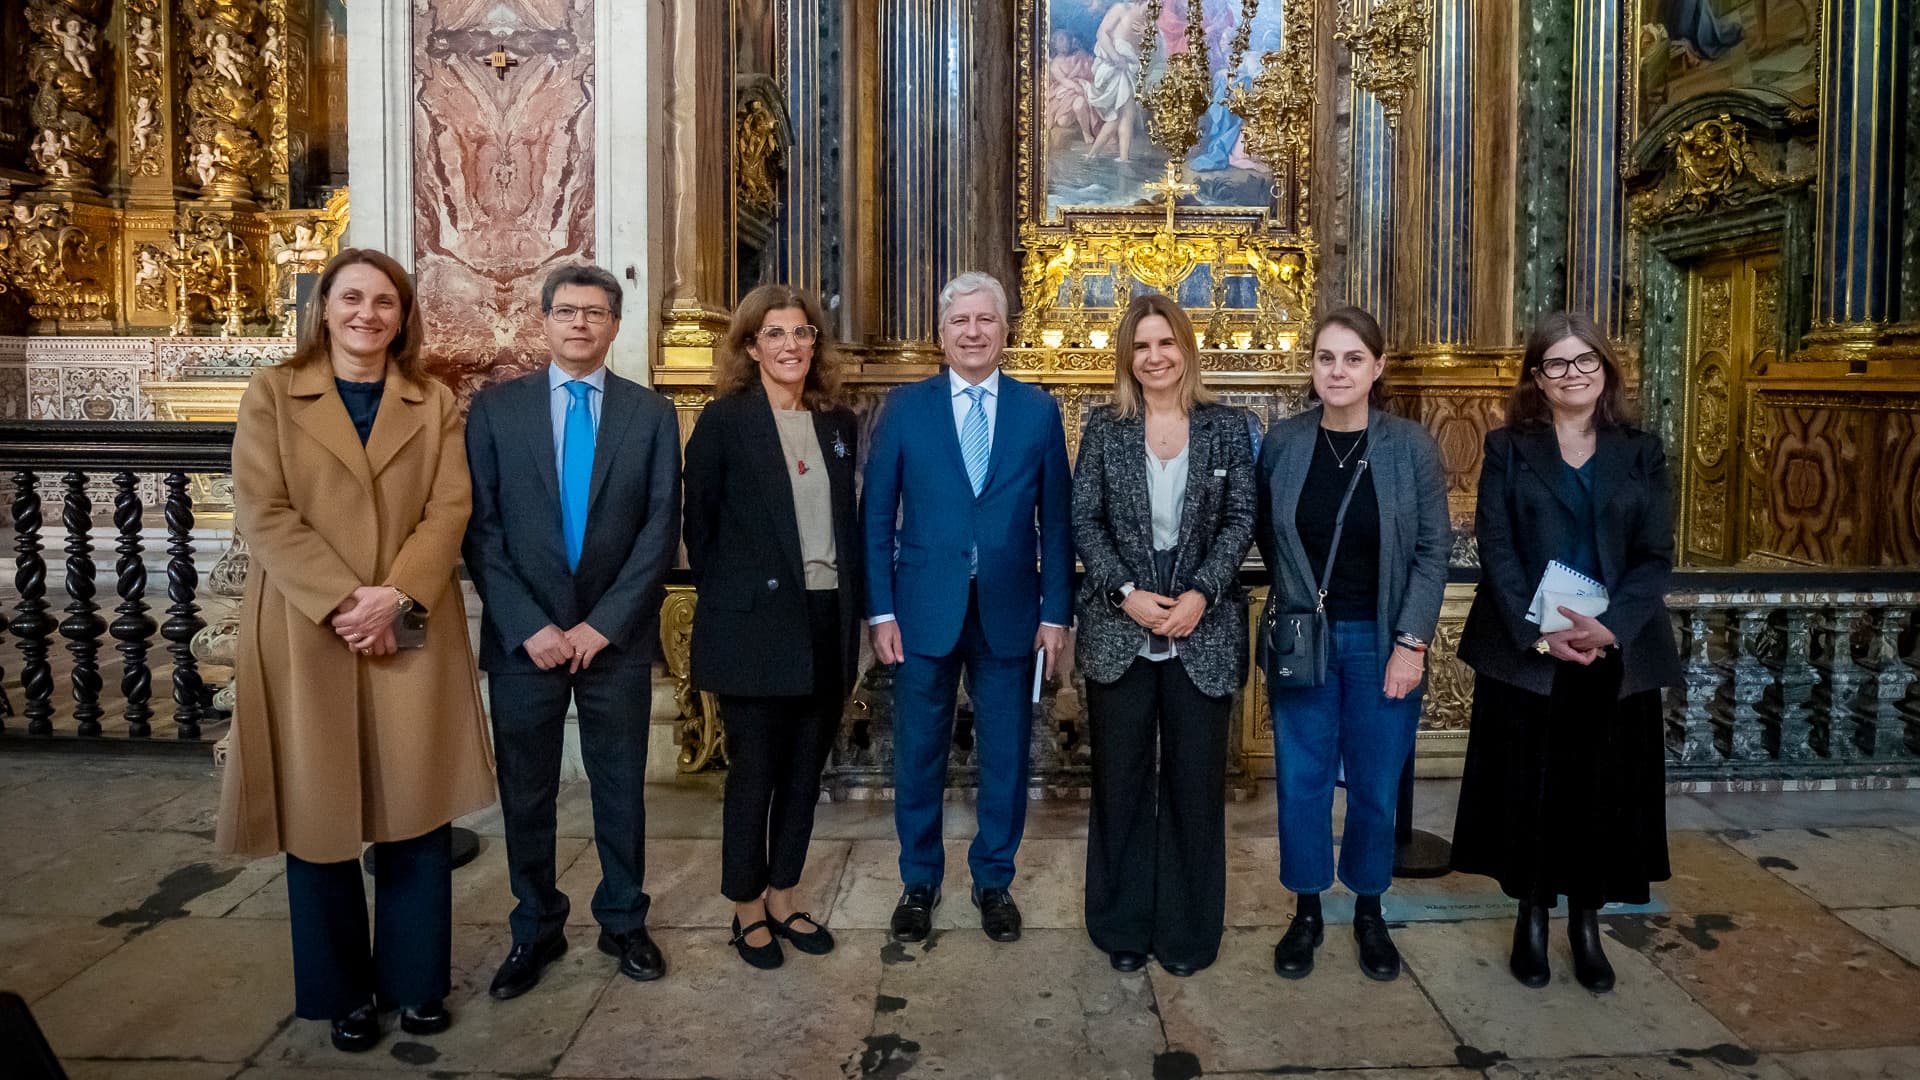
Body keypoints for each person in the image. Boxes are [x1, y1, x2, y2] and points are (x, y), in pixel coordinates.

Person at [218, 248, 496, 1053]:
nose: (367, 314)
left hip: (407, 620)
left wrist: (393, 596)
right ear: (325, 308)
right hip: (310, 626)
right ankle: (341, 993)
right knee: (320, 812)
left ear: (402, 317)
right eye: (352, 298)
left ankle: (416, 985)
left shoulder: (432, 400)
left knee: (415, 807)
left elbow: (450, 508)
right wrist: (346, 600)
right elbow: (261, 510)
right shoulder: (273, 394)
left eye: (384, 301)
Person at [462, 264, 682, 999]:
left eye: (595, 312)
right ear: (544, 321)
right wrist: (531, 626)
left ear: (615, 325)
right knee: (528, 792)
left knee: (620, 787)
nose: (580, 323)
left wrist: (602, 624)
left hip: (611, 642)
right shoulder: (496, 412)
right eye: (566, 311)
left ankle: (623, 919)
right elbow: (480, 531)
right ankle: (536, 927)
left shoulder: (650, 415)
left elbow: (659, 530)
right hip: (526, 642)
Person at [1451, 311, 1682, 994]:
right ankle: (1530, 915)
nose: (1573, 373)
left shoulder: (1641, 450)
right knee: (1531, 788)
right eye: (1556, 363)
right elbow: (1496, 548)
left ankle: (1586, 922)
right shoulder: (1507, 448)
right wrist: (1541, 631)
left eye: (1586, 361)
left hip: (1616, 651)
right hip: (1530, 651)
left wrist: (1613, 627)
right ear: (1537, 377)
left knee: (1601, 791)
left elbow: (1655, 554)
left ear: (1605, 370)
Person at [863, 270, 1073, 944]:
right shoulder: (905, 409)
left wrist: (1055, 612)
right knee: (918, 752)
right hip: (922, 609)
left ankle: (994, 880)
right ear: (943, 333)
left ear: (1005, 331)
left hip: (1010, 611)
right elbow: (874, 518)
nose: (973, 332)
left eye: (985, 320)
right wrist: (880, 611)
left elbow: (1060, 524)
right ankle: (919, 880)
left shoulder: (1038, 412)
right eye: (961, 322)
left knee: (1006, 756)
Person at [1254, 305, 1450, 983]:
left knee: (1373, 786)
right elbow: (1264, 535)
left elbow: (1432, 550)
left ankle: (1369, 909)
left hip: (1383, 639)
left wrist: (1412, 641)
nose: (1337, 371)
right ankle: (1306, 908)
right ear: (1311, 367)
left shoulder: (1410, 446)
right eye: (1325, 358)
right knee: (1301, 782)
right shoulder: (1283, 444)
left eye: (1352, 359)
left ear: (1377, 367)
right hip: (1305, 639)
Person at [1072, 295, 1256, 976]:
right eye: (1142, 346)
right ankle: (1121, 923)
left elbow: (1242, 517)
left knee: (1192, 786)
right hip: (1121, 632)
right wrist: (1127, 594)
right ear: (1128, 357)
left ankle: (1186, 932)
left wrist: (1200, 593)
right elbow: (1084, 520)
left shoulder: (1227, 427)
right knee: (1119, 784)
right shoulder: (1105, 428)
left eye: (1165, 343)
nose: (1155, 357)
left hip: (1201, 634)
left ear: (1186, 348)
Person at [682, 285, 863, 969]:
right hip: (756, 623)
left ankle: (785, 895)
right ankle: (746, 906)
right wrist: (737, 600)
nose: (791, 345)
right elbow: (699, 528)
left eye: (802, 332)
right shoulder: (726, 422)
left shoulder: (837, 423)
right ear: (751, 346)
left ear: (816, 344)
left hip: (826, 619)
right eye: (775, 333)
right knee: (754, 772)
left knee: (804, 773)